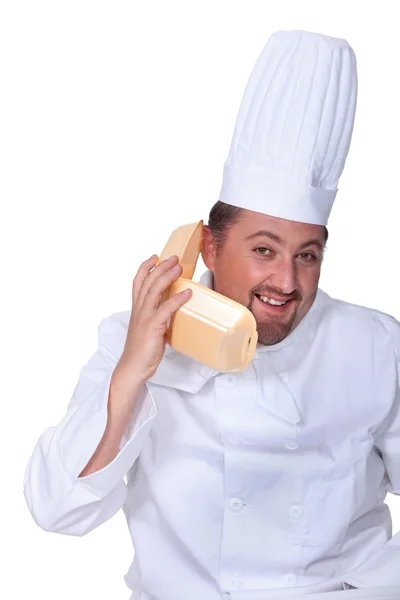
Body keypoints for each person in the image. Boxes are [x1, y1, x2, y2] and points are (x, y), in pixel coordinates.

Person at [24, 30, 400, 600]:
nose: (287, 282)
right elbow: (56, 510)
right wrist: (133, 371)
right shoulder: (132, 345)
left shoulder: (374, 345)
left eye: (307, 255)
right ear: (208, 247)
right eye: (263, 250)